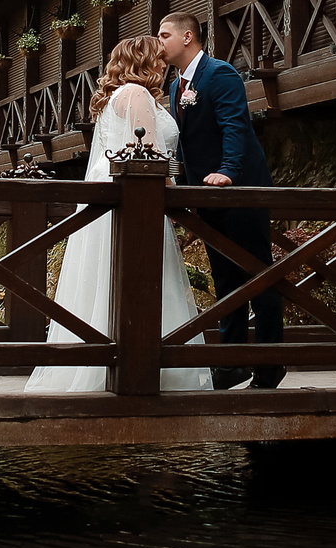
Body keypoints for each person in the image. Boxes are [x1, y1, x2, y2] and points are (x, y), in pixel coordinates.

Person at [25, 35, 217, 393]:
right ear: (142, 61)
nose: (164, 65)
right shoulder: (137, 94)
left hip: (114, 194)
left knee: (106, 277)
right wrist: (179, 201)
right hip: (137, 198)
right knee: (138, 274)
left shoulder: (120, 95)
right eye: (158, 59)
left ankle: (104, 358)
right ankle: (143, 365)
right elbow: (150, 155)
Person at [155, 12, 284, 390]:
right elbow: (188, 144)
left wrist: (229, 170)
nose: (159, 41)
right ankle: (230, 363)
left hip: (241, 191)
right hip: (205, 193)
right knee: (225, 278)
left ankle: (270, 362)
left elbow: (234, 125)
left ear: (188, 37)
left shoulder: (219, 73)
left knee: (258, 274)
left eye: (164, 35)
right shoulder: (177, 83)